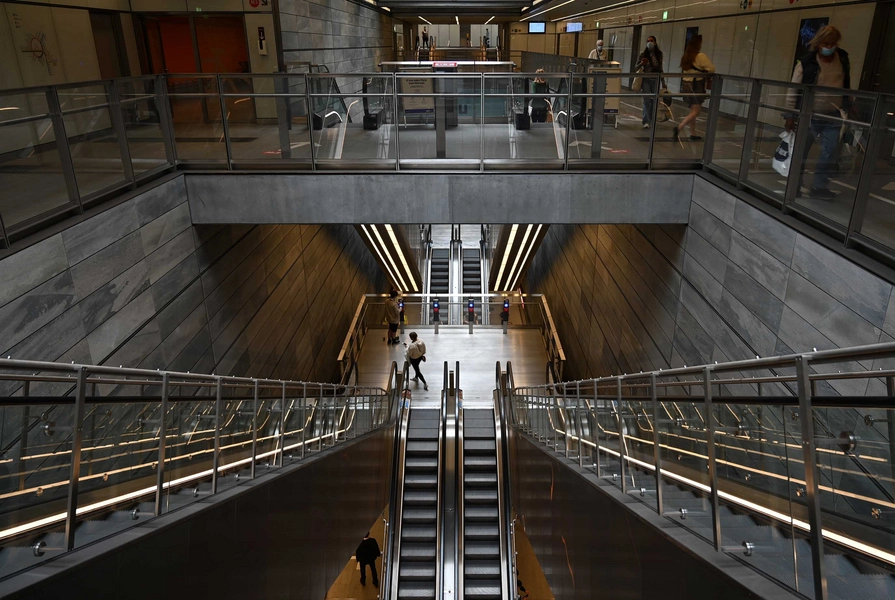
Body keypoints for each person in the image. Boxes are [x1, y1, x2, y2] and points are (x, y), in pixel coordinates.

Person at [785, 25, 851, 200]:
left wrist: (849, 104)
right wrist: (790, 115)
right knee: (801, 151)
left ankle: (819, 186)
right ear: (818, 43)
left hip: (833, 114)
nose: (829, 47)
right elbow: (794, 90)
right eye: (825, 43)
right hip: (809, 115)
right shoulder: (807, 63)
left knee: (829, 151)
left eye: (832, 43)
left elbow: (846, 84)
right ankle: (795, 184)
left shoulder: (842, 59)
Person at [674, 34, 714, 142]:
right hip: (696, 85)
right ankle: (679, 127)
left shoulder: (686, 56)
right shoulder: (700, 56)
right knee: (696, 111)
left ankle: (693, 133)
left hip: (686, 84)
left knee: (693, 109)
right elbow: (711, 68)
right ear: (698, 44)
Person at [638, 35, 664, 129]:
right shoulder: (643, 54)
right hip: (646, 79)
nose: (650, 42)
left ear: (655, 43)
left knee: (654, 101)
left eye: (651, 41)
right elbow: (635, 67)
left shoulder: (659, 54)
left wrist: (663, 82)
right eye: (648, 41)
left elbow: (661, 68)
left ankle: (652, 120)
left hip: (655, 80)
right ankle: (646, 121)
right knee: (646, 101)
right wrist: (642, 63)